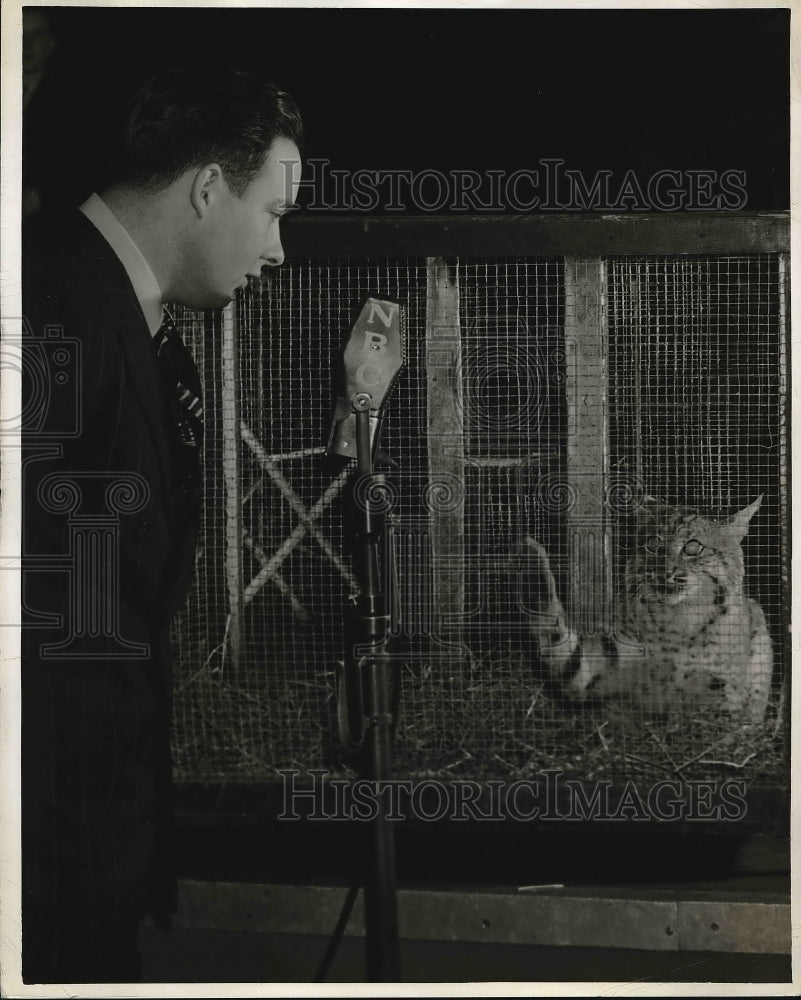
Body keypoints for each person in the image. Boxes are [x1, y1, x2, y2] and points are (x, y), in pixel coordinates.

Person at [21, 64, 303, 983]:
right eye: (273, 214)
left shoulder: (123, 318)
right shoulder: (48, 307)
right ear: (208, 188)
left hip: (89, 844)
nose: (277, 251)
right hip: (41, 862)